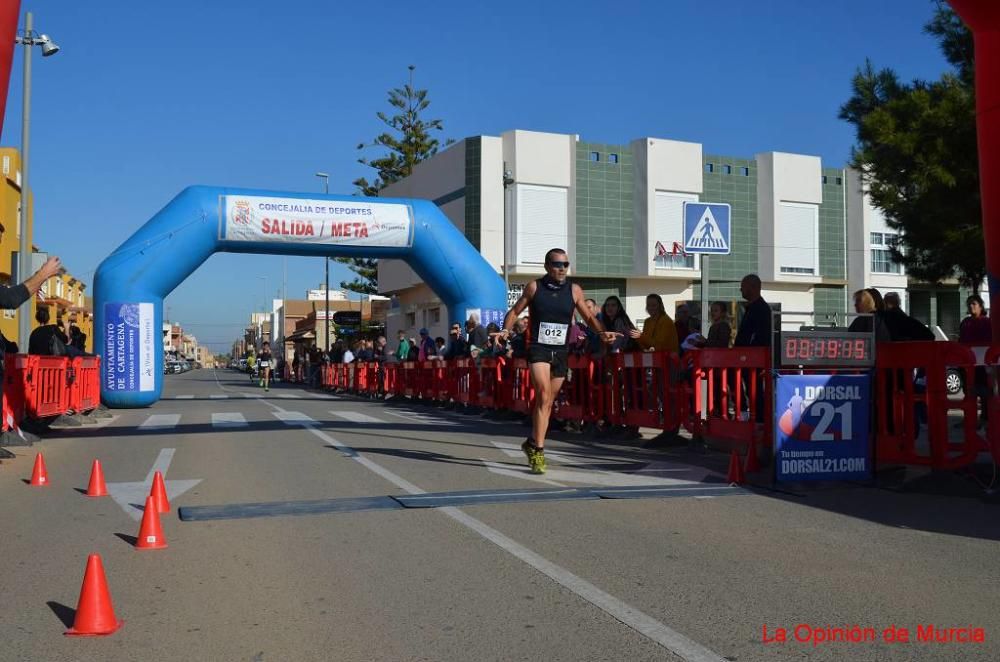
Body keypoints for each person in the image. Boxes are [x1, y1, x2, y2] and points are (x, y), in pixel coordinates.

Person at [499, 248, 616, 474]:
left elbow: (589, 317)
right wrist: (505, 330)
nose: (561, 268)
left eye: (565, 264)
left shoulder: (574, 290)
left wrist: (602, 332)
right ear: (546, 266)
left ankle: (532, 442)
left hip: (561, 351)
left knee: (548, 402)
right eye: (556, 264)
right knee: (543, 396)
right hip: (538, 348)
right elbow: (515, 311)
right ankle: (539, 452)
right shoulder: (535, 287)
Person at [959, 293, 991, 427]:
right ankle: (969, 418)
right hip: (967, 362)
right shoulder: (965, 322)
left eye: (974, 304)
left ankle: (985, 417)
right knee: (968, 391)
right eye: (969, 304)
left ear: (981, 306)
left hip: (983, 362)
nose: (971, 306)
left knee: (985, 391)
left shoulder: (988, 322)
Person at [734, 275, 772, 348]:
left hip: (751, 355)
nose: (741, 289)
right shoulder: (752, 308)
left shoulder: (760, 309)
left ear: (753, 287)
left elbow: (760, 336)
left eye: (743, 286)